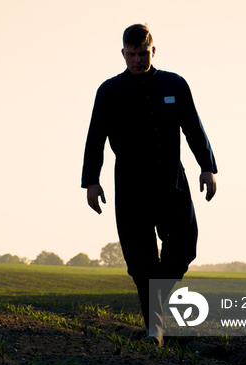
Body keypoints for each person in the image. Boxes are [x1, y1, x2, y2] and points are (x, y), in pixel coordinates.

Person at [81, 24, 217, 346]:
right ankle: (154, 329)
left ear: (153, 51)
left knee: (185, 244)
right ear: (123, 53)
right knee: (141, 259)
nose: (138, 60)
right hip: (130, 187)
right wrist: (91, 181)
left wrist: (207, 167)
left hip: (172, 181)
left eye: (144, 54)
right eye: (132, 54)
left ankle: (156, 298)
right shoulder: (109, 91)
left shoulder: (175, 84)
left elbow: (193, 129)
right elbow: (95, 138)